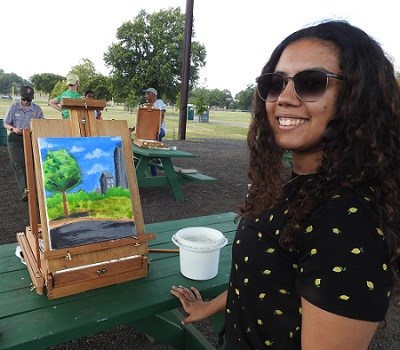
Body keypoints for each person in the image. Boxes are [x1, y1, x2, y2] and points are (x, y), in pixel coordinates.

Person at [171, 20, 400, 349]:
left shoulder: (348, 220)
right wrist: (210, 305)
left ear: (356, 97)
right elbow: (265, 273)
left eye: (311, 83)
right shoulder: (299, 186)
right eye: (275, 84)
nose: (284, 98)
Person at [3, 86, 45, 201]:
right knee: (19, 163)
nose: (26, 102)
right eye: (24, 99)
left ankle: (36, 189)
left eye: (29, 100)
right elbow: (6, 123)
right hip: (16, 138)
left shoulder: (37, 110)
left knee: (32, 164)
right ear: (21, 98)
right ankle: (25, 190)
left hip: (30, 138)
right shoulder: (14, 107)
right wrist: (13, 129)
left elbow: (42, 124)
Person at [142, 87, 167, 176]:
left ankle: (157, 155)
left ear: (153, 95)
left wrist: (157, 127)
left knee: (156, 135)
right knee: (149, 151)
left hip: (160, 129)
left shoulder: (159, 102)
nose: (146, 95)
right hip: (148, 131)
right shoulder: (145, 105)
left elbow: (162, 114)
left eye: (147, 93)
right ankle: (153, 173)